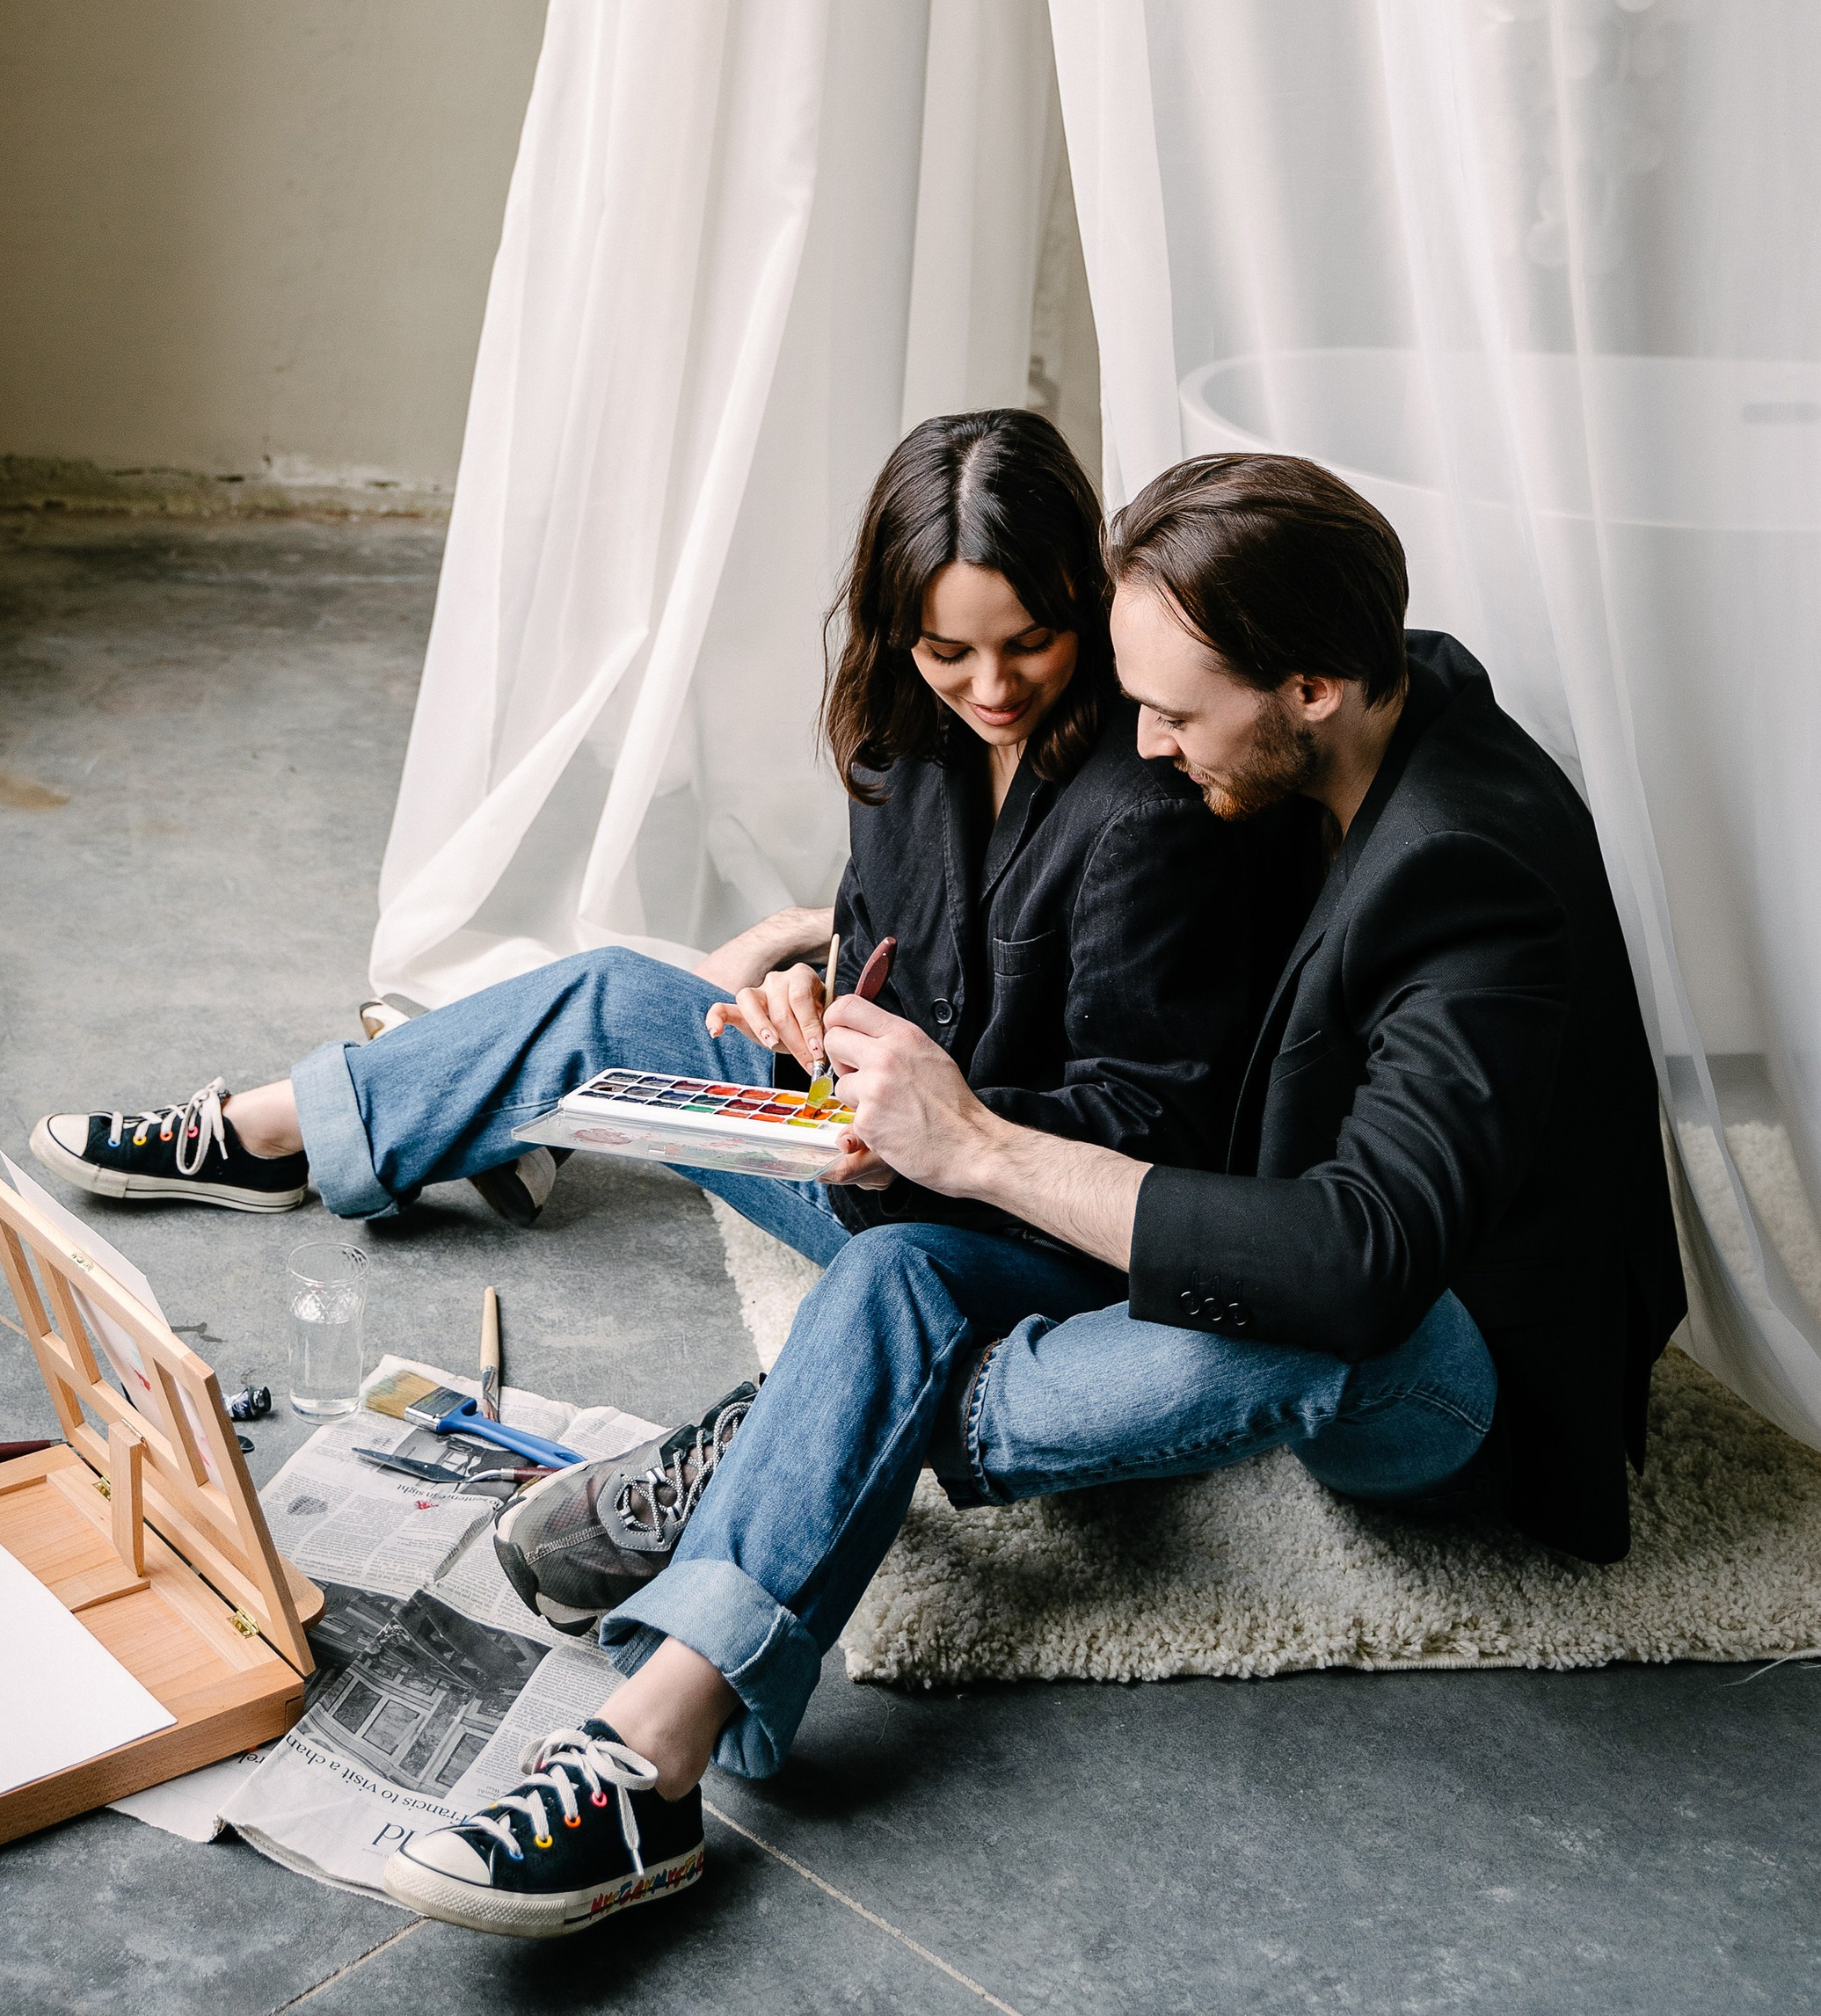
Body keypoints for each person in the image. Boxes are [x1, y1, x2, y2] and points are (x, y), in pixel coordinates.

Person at [377, 451, 1684, 1945]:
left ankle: (799, 1431)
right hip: (1253, 1209)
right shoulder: (1365, 702)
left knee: (1270, 1309)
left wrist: (981, 1150)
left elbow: (1359, 1268)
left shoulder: (1467, 872)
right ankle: (648, 1753)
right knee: (895, 1281)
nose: (1142, 743)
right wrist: (828, 942)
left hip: (1450, 1375)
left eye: (1174, 715)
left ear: (1310, 685)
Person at [27, 413, 1315, 1917]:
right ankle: (278, 1135)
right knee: (619, 997)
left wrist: (915, 1111)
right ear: (894, 630)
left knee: (895, 1280)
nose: (986, 686)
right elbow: (896, 950)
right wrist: (813, 997)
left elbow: (1140, 1129)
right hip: (875, 1131)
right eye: (943, 650)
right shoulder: (907, 741)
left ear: (1083, 609)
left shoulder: (1154, 807)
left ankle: (653, 1764)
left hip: (1021, 1216)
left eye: (1024, 644)